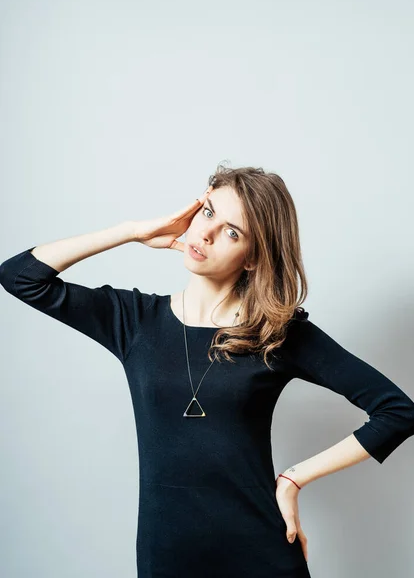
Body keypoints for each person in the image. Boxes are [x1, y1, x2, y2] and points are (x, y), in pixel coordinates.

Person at [1, 165, 414, 578]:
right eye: (209, 212)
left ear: (252, 258)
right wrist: (131, 231)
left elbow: (397, 411)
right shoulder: (134, 321)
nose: (207, 234)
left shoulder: (275, 333)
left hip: (261, 553)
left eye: (233, 232)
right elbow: (20, 276)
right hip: (167, 555)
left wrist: (293, 479)